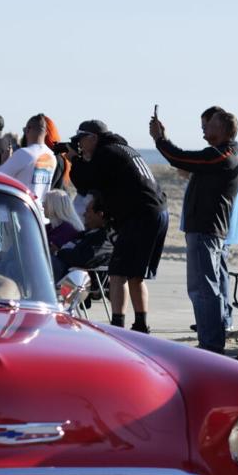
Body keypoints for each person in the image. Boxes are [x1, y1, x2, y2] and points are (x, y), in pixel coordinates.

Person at [150, 106, 238, 354]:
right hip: (204, 230)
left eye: (209, 124)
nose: (204, 128)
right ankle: (210, 340)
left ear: (222, 129)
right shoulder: (220, 155)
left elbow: (180, 157)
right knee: (203, 288)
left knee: (205, 289)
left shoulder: (223, 155)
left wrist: (160, 139)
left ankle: (211, 345)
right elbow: (186, 162)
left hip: (207, 230)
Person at [68, 119, 168, 333]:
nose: (80, 145)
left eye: (81, 140)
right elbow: (110, 185)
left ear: (93, 137)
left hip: (140, 215)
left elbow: (85, 182)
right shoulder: (122, 149)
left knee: (117, 272)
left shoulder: (106, 153)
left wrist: (75, 160)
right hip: (158, 211)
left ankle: (117, 326)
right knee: (135, 274)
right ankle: (141, 325)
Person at [51, 196, 113, 282]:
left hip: (79, 281)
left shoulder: (105, 238)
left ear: (99, 215)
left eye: (88, 211)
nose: (84, 214)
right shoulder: (89, 233)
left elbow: (83, 258)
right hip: (67, 273)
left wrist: (58, 252)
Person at [0, 114, 57, 200]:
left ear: (28, 130)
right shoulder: (52, 156)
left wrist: (5, 161)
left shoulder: (24, 153)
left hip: (21, 208)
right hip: (38, 210)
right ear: (46, 133)